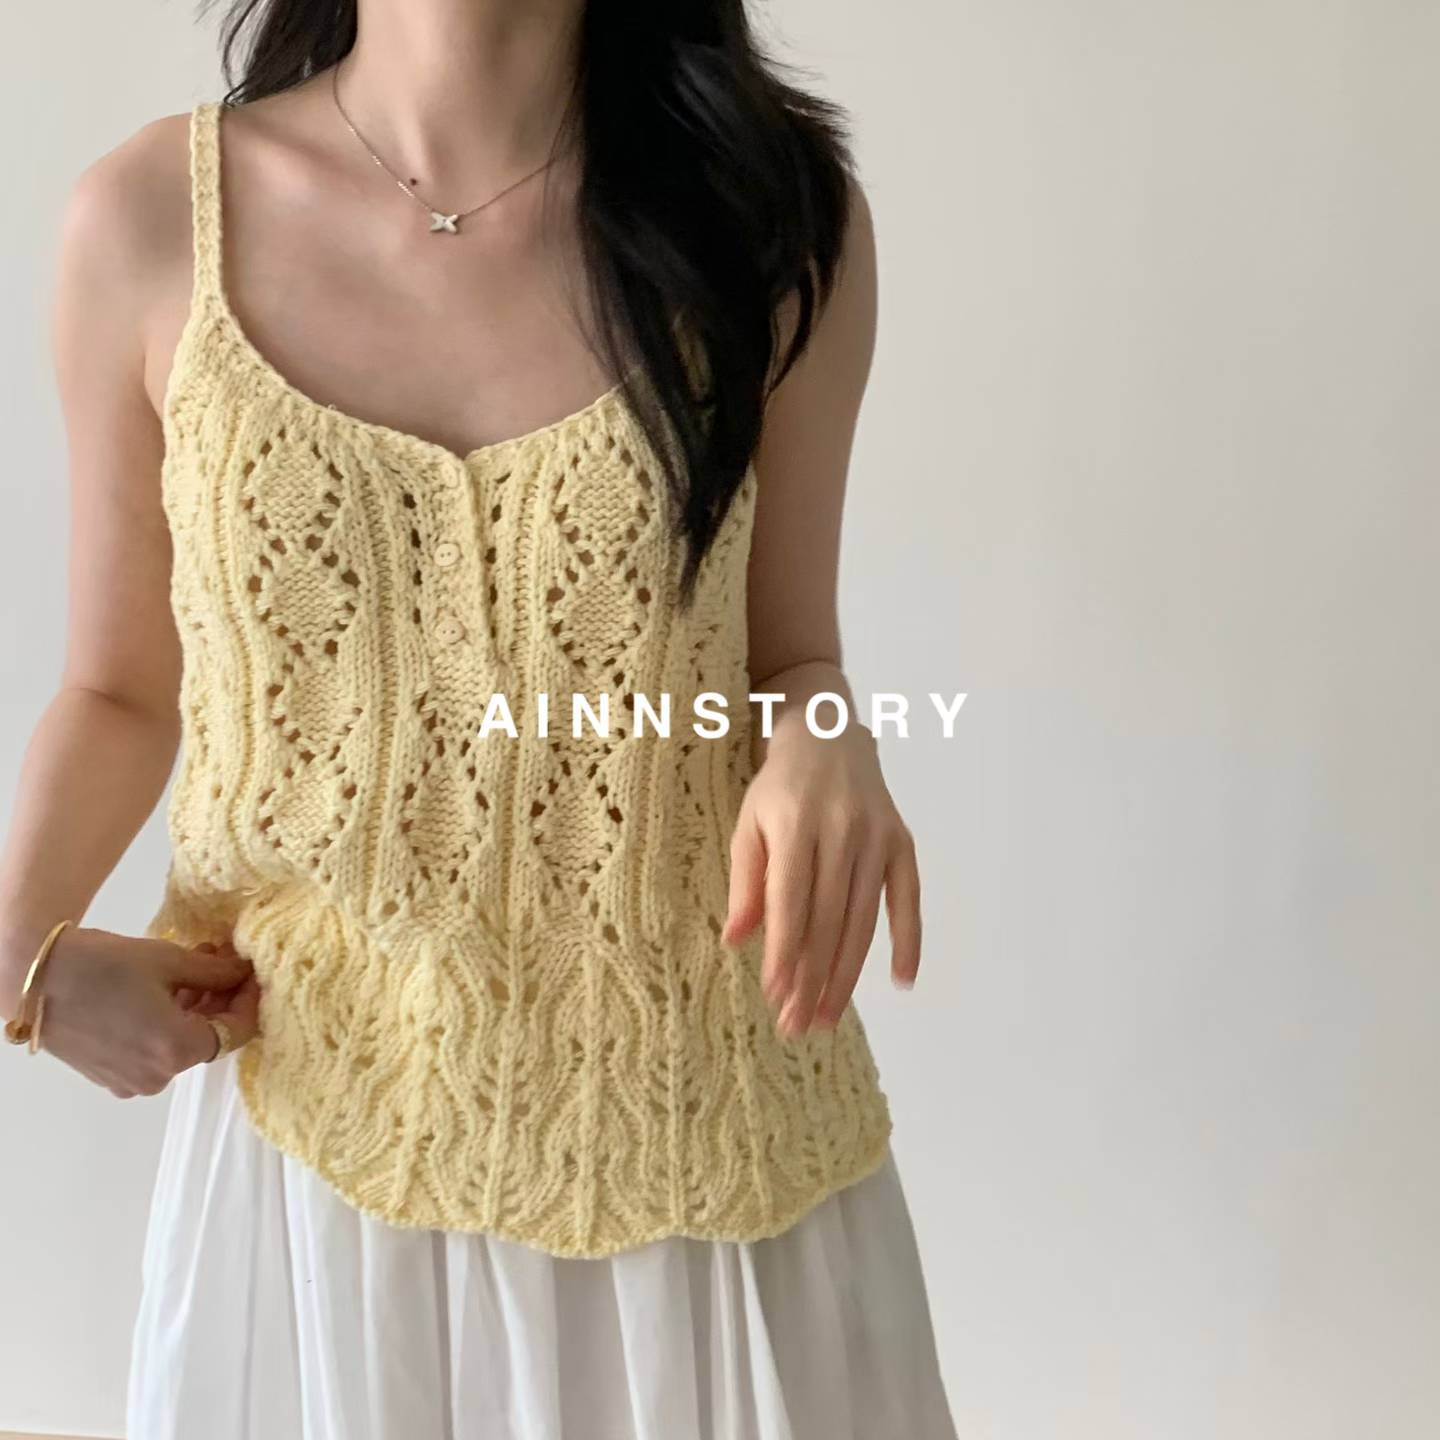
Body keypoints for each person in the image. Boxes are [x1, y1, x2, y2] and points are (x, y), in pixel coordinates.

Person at [0, 2, 959, 1436]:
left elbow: (790, 656)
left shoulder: (772, 218)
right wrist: (19, 961)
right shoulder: (149, 224)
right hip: (319, 1169)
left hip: (702, 1161)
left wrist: (830, 733)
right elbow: (119, 689)